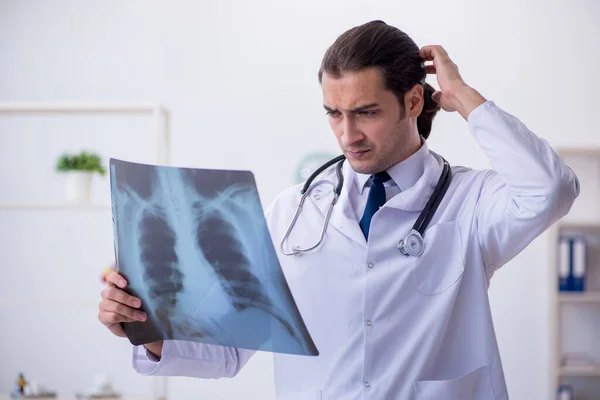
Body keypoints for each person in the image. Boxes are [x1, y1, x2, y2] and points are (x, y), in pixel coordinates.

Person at [98, 20, 579, 399]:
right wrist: (143, 329)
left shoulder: (471, 203)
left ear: (414, 101)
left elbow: (551, 189)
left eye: (366, 112)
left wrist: (463, 97)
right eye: (334, 113)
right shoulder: (293, 213)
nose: (347, 134)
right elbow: (229, 349)